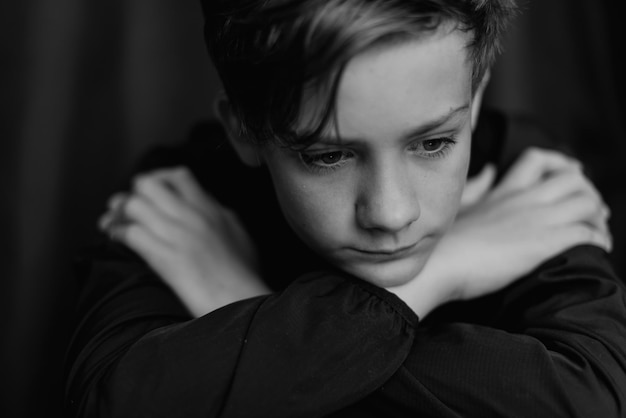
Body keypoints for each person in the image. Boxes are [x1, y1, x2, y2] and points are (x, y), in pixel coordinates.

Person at [63, 0, 626, 417]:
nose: (390, 212)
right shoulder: (183, 204)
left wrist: (239, 305)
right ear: (245, 132)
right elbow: (110, 403)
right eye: (328, 156)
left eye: (433, 143)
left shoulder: (526, 184)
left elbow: (591, 402)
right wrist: (433, 278)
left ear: (475, 99)